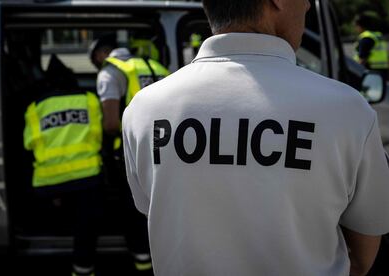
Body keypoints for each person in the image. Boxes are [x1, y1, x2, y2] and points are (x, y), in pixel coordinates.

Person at [122, 0, 389, 275]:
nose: (308, 5)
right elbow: (362, 255)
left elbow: (154, 212)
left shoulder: (143, 108)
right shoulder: (347, 108)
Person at [89, 35, 169, 275]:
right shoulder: (156, 66)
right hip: (165, 147)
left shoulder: (110, 72)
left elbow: (111, 123)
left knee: (134, 210)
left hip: (129, 151)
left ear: (103, 54)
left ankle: (143, 262)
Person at [23, 63, 103, 276]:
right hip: (86, 177)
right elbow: (98, 136)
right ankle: (83, 269)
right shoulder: (89, 99)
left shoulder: (35, 107)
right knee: (85, 224)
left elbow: (28, 144)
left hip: (48, 181)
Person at [354, 13, 389, 77]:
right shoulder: (377, 35)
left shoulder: (366, 38)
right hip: (383, 72)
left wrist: (356, 73)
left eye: (355, 26)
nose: (355, 28)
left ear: (359, 26)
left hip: (371, 72)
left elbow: (362, 59)